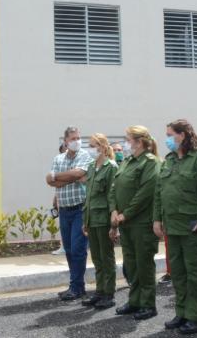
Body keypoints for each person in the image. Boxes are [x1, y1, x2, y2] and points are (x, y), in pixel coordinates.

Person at [154, 120, 197, 335]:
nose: (167, 139)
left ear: (182, 135)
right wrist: (157, 220)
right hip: (173, 228)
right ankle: (182, 313)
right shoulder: (169, 160)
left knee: (196, 276)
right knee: (179, 275)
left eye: (170, 134)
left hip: (194, 229)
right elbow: (159, 193)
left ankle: (196, 318)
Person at [110, 126, 159, 321]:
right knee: (131, 263)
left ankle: (148, 304)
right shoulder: (128, 161)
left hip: (141, 223)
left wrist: (125, 214)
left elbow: (145, 193)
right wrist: (114, 211)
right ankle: (135, 300)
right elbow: (114, 187)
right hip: (125, 222)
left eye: (128, 139)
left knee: (144, 264)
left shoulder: (150, 163)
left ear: (139, 142)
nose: (125, 143)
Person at [46, 127, 91, 300]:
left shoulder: (85, 155)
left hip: (80, 208)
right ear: (65, 141)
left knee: (79, 248)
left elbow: (79, 173)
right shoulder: (58, 158)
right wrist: (68, 177)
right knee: (69, 250)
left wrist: (59, 176)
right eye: (73, 138)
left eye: (79, 138)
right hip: (64, 210)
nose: (77, 141)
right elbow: (51, 182)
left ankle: (77, 287)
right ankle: (76, 285)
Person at [81, 134, 119, 309]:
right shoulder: (90, 167)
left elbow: (113, 196)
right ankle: (99, 291)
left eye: (93, 145)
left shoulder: (110, 167)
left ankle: (109, 293)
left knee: (107, 257)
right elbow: (88, 196)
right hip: (92, 218)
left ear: (103, 147)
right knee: (96, 258)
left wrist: (114, 222)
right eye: (89, 145)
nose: (90, 149)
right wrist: (85, 220)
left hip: (104, 219)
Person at [51, 143, 68, 256]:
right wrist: (55, 199)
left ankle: (66, 247)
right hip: (61, 199)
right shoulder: (59, 163)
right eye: (63, 150)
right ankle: (63, 246)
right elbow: (54, 181)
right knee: (63, 226)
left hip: (74, 201)